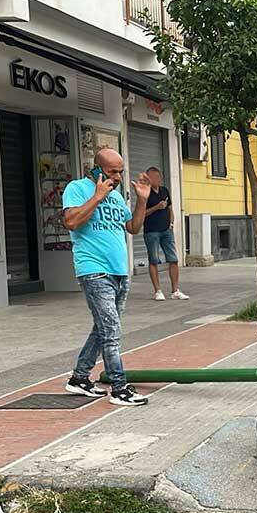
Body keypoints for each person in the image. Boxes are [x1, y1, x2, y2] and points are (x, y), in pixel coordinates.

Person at [62, 148, 152, 407]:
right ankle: (119, 388)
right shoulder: (77, 188)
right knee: (111, 330)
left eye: (121, 171)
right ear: (97, 169)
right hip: (94, 270)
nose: (118, 176)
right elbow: (71, 221)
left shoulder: (115, 196)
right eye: (113, 171)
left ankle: (79, 378)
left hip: (119, 272)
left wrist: (142, 200)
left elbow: (132, 228)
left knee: (103, 328)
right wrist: (98, 196)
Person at [143, 167, 189, 301]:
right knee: (153, 260)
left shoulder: (164, 191)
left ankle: (175, 290)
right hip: (151, 231)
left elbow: (170, 209)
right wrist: (156, 207)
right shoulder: (145, 193)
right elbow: (142, 213)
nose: (157, 179)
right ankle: (157, 291)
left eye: (159, 176)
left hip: (166, 230)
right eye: (154, 177)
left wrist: (171, 224)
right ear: (148, 178)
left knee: (173, 259)